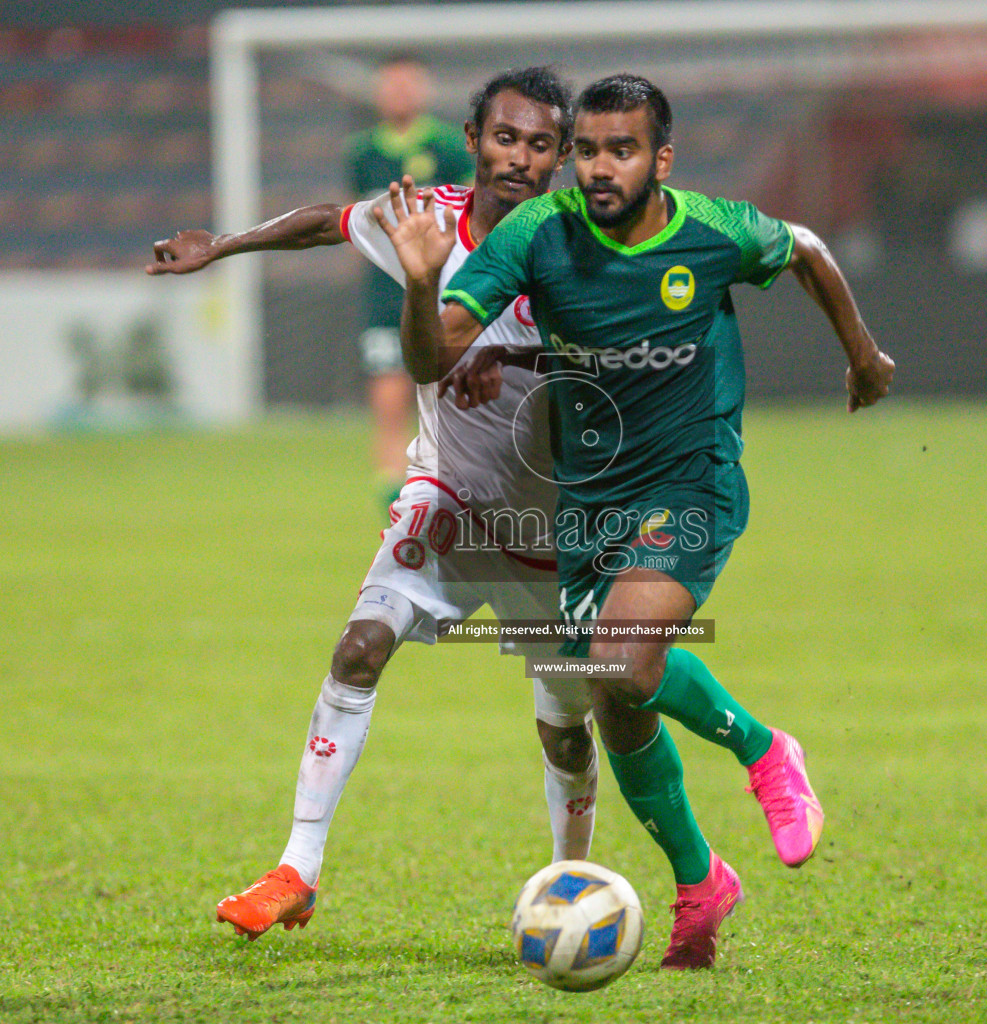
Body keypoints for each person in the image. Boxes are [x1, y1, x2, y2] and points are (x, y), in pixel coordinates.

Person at [376, 73, 896, 969]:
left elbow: (806, 247)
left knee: (623, 657)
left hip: (691, 485)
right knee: (615, 697)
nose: (599, 168)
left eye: (622, 150)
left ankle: (768, 751)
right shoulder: (540, 235)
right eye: (587, 151)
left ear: (661, 159)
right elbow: (433, 355)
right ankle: (701, 882)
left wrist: (864, 354)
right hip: (587, 503)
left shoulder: (711, 230)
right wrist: (423, 286)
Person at [145, 67, 599, 940]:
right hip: (450, 496)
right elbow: (328, 220)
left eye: (542, 145)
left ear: (561, 158)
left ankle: (570, 882)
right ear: (472, 140)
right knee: (359, 649)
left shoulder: (584, 250)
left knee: (567, 729)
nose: (522, 158)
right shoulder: (427, 219)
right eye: (506, 138)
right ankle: (297, 867)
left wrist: (525, 365)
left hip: (555, 521)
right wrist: (225, 246)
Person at [347, 54, 475, 511]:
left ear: (423, 90)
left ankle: (455, 474)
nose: (400, 93)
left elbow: (471, 212)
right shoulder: (361, 152)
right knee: (386, 382)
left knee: (451, 381)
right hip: (383, 290)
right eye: (391, 84)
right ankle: (390, 480)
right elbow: (352, 220)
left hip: (444, 286)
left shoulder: (448, 146)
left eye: (408, 84)